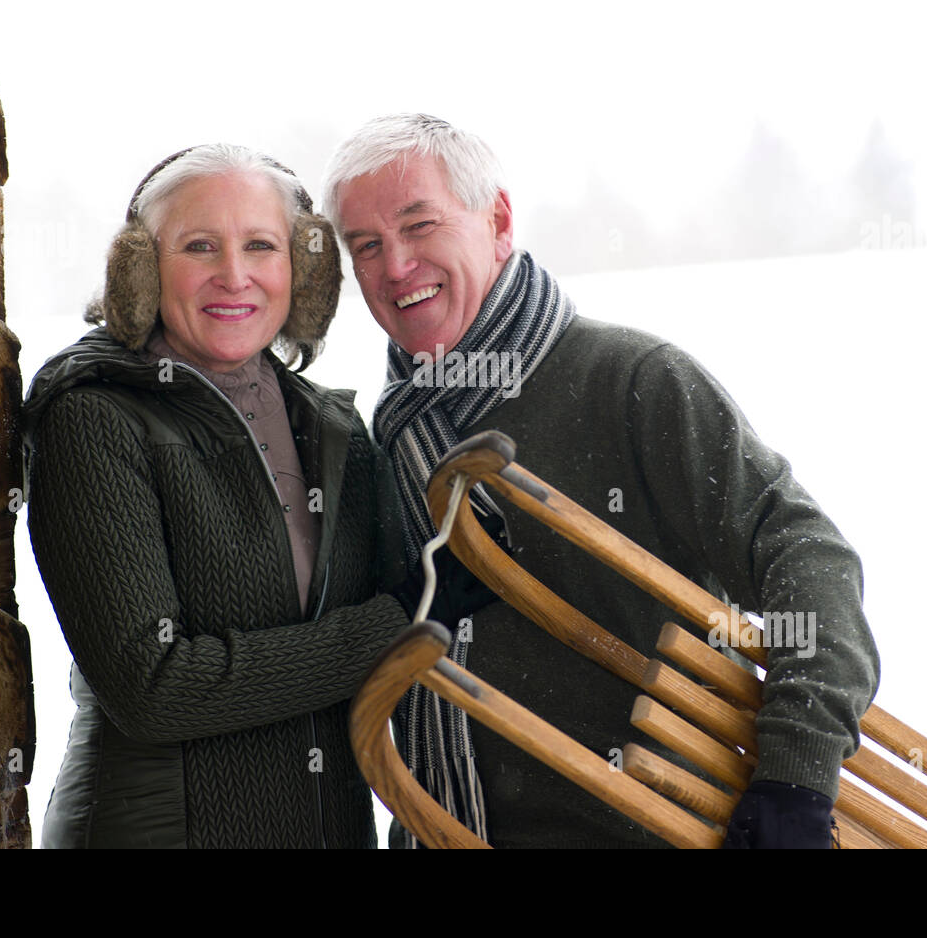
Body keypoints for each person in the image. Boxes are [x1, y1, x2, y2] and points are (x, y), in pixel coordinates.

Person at [320, 114, 882, 849]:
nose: (395, 266)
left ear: (497, 220)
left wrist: (795, 779)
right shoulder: (389, 440)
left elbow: (809, 557)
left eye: (419, 225)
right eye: (366, 245)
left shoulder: (632, 381)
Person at [22, 144, 410, 848]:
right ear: (140, 270)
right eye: (199, 246)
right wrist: (395, 626)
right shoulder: (93, 418)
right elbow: (152, 685)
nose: (234, 275)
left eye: (260, 245)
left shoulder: (335, 431)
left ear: (305, 269)